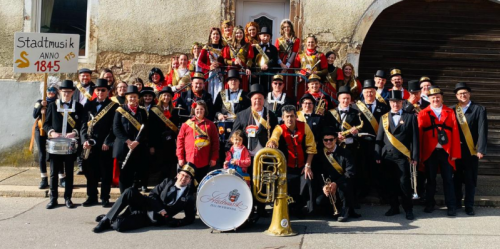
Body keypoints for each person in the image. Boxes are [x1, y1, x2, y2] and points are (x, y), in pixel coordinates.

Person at [92, 164, 197, 233]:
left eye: (187, 177)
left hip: (149, 218)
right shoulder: (167, 182)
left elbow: (190, 218)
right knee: (129, 191)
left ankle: (113, 218)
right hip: (145, 204)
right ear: (177, 175)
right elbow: (152, 195)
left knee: (119, 226)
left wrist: (177, 222)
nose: (183, 178)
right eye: (182, 175)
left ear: (190, 181)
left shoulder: (189, 197)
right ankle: (106, 220)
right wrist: (161, 210)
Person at [375, 90, 419, 220]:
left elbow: (415, 139)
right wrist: (377, 155)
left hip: (402, 156)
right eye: (393, 102)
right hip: (387, 156)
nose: (395, 104)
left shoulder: (410, 117)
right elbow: (379, 138)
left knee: (404, 183)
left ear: (402, 103)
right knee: (390, 183)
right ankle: (394, 207)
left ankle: (408, 209)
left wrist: (415, 156)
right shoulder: (383, 117)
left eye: (398, 102)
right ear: (390, 103)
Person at [418, 86, 461, 216]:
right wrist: (419, 154)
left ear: (442, 98)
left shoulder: (450, 112)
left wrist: (455, 153)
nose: (435, 99)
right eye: (433, 97)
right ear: (429, 99)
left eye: (438, 97)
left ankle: (451, 206)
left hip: (446, 151)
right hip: (430, 152)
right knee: (430, 179)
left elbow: (455, 133)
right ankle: (430, 204)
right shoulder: (423, 113)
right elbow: (419, 135)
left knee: (448, 179)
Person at [267, 105, 317, 216]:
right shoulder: (279, 128)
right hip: (286, 167)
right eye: (287, 116)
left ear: (296, 117)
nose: (290, 119)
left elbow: (312, 148)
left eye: (292, 116)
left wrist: (308, 166)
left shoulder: (304, 127)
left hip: (302, 166)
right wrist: (272, 142)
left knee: (308, 180)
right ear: (283, 118)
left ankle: (308, 210)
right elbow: (274, 138)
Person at [44, 80, 84, 209]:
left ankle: (68, 198)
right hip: (55, 143)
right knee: (54, 173)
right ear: (60, 92)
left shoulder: (78, 107)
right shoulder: (52, 106)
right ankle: (53, 198)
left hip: (70, 143)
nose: (66, 94)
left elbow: (82, 124)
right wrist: (51, 132)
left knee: (69, 172)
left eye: (68, 92)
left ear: (72, 92)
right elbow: (46, 124)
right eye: (64, 92)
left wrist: (75, 132)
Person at [81, 79, 118, 207]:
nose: (101, 92)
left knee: (105, 173)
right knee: (90, 172)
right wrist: (84, 140)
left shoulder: (114, 107)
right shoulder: (88, 105)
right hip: (90, 144)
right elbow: (83, 126)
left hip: (105, 145)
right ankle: (91, 196)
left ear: (108, 92)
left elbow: (114, 127)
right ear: (95, 91)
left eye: (103, 90)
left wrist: (108, 141)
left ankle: (105, 197)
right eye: (98, 90)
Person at [452, 82, 488, 215]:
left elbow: (482, 130)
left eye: (465, 93)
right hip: (456, 151)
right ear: (456, 96)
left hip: (471, 151)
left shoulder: (479, 109)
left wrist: (481, 149)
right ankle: (456, 202)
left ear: (469, 94)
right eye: (460, 93)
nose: (463, 95)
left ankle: (469, 205)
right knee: (456, 178)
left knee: (470, 179)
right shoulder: (452, 109)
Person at [353, 79, 389, 197]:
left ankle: (380, 190)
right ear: (363, 93)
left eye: (372, 91)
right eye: (367, 92)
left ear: (375, 92)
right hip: (361, 142)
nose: (369, 94)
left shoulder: (383, 107)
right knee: (363, 166)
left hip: (378, 142)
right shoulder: (356, 106)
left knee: (379, 166)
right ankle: (364, 189)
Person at [315, 129, 360, 222]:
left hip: (343, 182)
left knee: (343, 188)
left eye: (331, 139)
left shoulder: (346, 153)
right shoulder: (320, 154)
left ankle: (345, 211)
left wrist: (336, 183)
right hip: (327, 183)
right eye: (325, 140)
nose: (328, 142)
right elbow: (318, 172)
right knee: (319, 201)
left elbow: (350, 173)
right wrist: (324, 186)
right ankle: (333, 210)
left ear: (336, 140)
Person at [113, 85, 149, 193]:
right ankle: (124, 195)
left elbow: (145, 129)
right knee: (124, 174)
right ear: (127, 97)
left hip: (138, 147)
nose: (133, 99)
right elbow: (116, 128)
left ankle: (133, 196)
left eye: (135, 97)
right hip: (124, 147)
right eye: (130, 97)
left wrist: (137, 142)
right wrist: (128, 141)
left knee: (135, 173)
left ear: (138, 98)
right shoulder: (120, 110)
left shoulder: (142, 112)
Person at [176, 100, 219, 183]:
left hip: (204, 160)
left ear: (205, 110)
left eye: (201, 109)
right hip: (189, 159)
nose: (199, 111)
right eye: (197, 109)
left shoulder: (211, 125)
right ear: (193, 110)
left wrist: (214, 158)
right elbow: (180, 142)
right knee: (188, 183)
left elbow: (215, 143)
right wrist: (180, 157)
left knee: (202, 183)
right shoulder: (186, 124)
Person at [33, 83, 62, 189]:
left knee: (57, 153)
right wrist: (41, 107)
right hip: (40, 129)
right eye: (49, 90)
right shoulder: (39, 102)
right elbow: (34, 115)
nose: (51, 93)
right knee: (42, 153)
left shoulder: (58, 103)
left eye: (53, 91)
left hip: (53, 130)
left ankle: (61, 177)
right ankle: (44, 178)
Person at [149, 86, 180, 181]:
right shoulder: (154, 110)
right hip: (158, 142)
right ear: (161, 97)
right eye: (164, 95)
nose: (166, 97)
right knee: (159, 165)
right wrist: (151, 145)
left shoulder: (174, 111)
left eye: (168, 96)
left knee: (170, 164)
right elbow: (151, 129)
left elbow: (176, 126)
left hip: (170, 142)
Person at [74, 68, 95, 175]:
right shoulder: (74, 89)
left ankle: (87, 162)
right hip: (77, 115)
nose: (85, 77)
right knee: (78, 139)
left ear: (90, 77)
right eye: (83, 75)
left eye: (87, 75)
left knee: (87, 138)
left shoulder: (95, 88)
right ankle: (80, 164)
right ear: (79, 77)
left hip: (89, 116)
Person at [198, 27, 227, 100]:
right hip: (210, 74)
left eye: (217, 34)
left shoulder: (224, 48)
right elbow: (199, 62)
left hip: (220, 74)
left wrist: (219, 64)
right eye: (214, 34)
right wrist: (209, 67)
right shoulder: (206, 48)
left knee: (220, 91)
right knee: (210, 92)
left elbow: (226, 62)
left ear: (220, 36)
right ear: (210, 36)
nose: (215, 36)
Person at [222, 25, 253, 91]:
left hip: (242, 70)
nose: (239, 35)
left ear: (243, 34)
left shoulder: (247, 45)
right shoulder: (229, 45)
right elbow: (225, 60)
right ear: (234, 34)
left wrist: (248, 68)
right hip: (231, 70)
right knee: (230, 89)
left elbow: (250, 59)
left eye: (240, 33)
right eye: (237, 33)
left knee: (242, 89)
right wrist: (233, 62)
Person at [249, 26, 279, 92]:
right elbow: (251, 59)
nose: (266, 38)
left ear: (270, 37)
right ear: (260, 36)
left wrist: (267, 65)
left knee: (266, 92)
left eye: (268, 36)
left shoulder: (273, 48)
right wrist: (252, 70)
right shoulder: (255, 47)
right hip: (256, 75)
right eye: (264, 35)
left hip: (267, 75)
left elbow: (274, 59)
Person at [275, 19, 301, 96]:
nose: (286, 28)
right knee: (279, 81)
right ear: (282, 29)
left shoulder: (296, 40)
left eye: (288, 27)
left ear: (291, 27)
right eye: (284, 27)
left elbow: (294, 52)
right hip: (280, 63)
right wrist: (282, 65)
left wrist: (287, 66)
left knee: (288, 83)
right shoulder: (278, 40)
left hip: (290, 63)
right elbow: (276, 53)